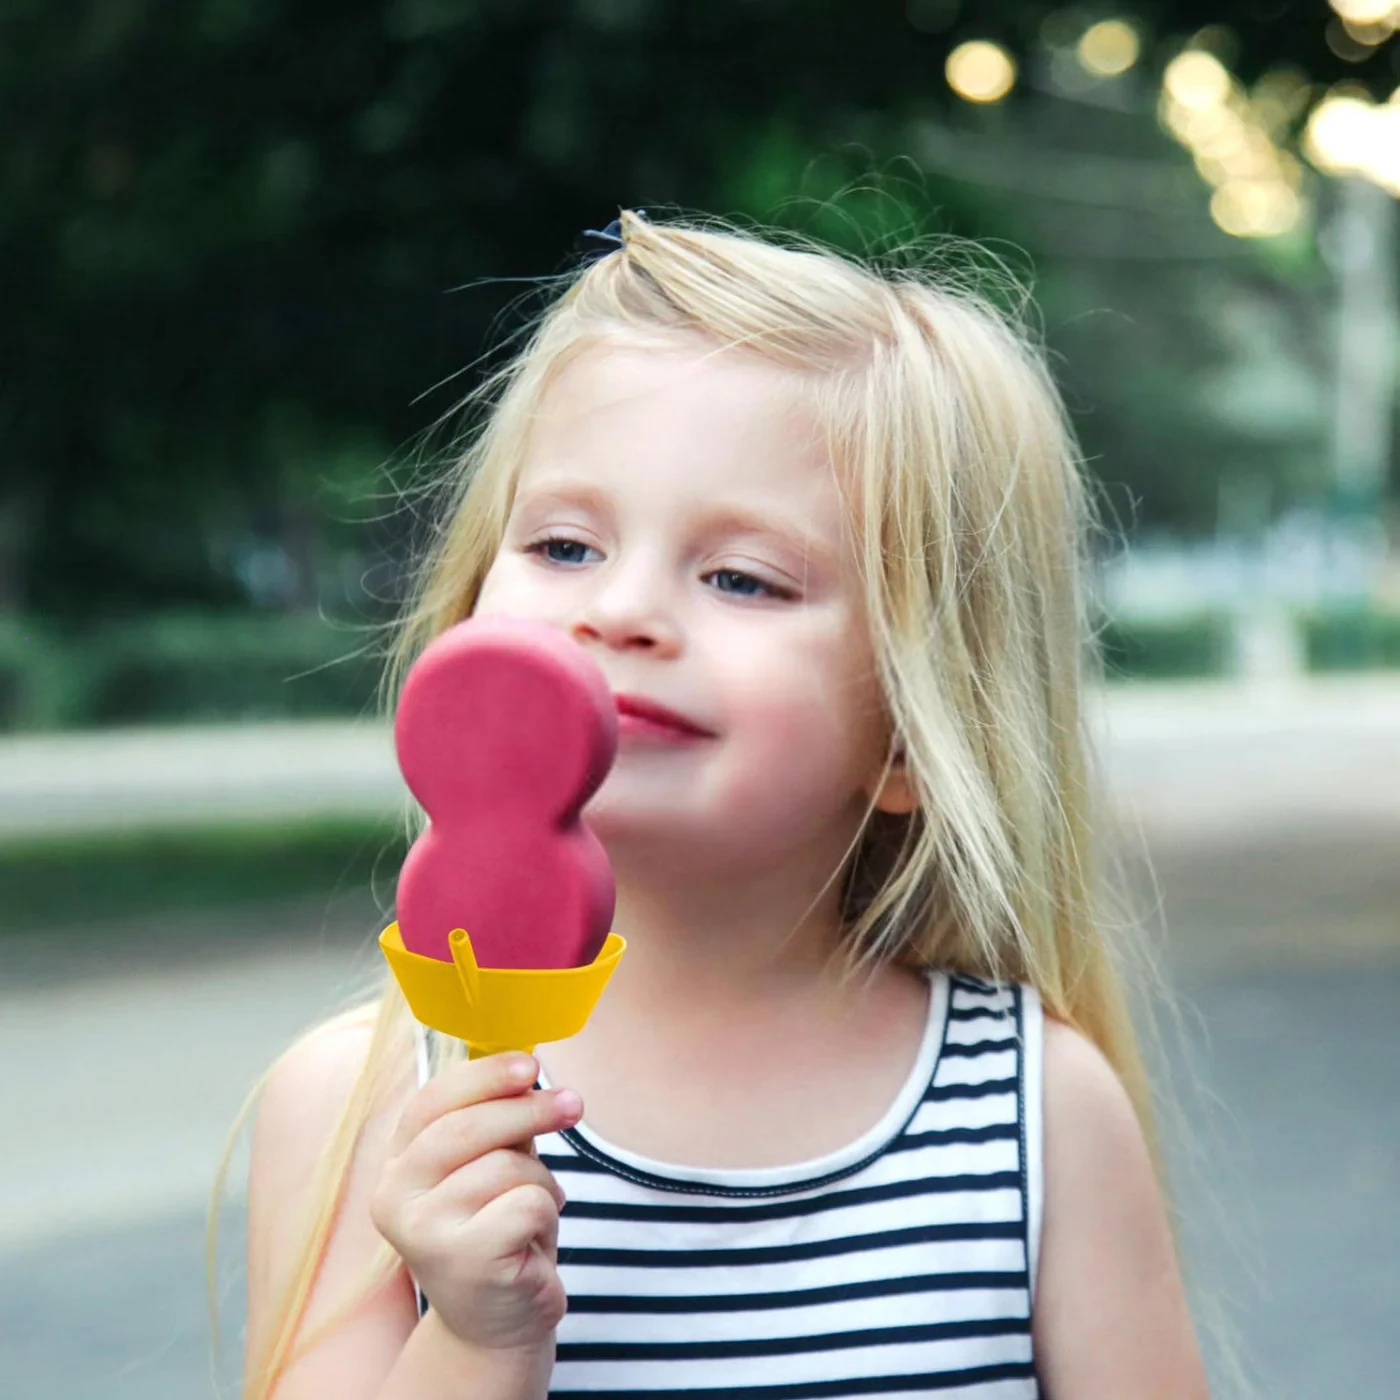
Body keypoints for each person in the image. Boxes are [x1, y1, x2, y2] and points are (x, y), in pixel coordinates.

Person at [234, 210, 1210, 1399]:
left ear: (915, 731)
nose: (618, 613)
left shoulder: (1036, 1114)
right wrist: (479, 1339)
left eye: (741, 576)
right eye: (563, 545)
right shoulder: (367, 1108)